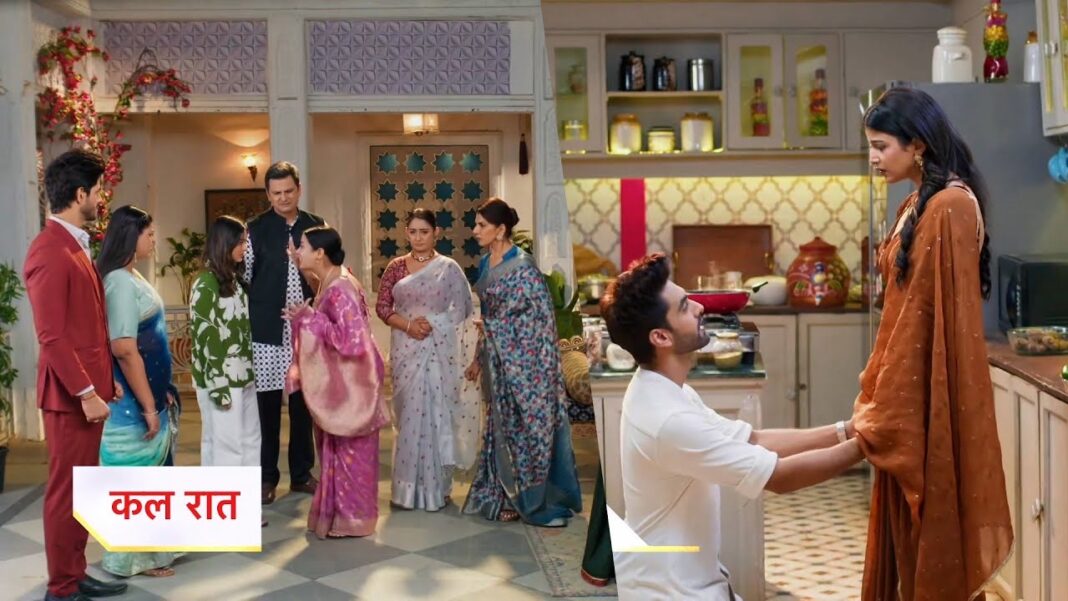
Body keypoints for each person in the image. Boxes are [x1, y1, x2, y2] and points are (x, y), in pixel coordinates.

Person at [600, 253, 864, 601]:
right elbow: (780, 477)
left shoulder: (667, 389)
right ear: (661, 337)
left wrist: (848, 430)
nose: (699, 307)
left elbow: (754, 439)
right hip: (670, 593)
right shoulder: (668, 419)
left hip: (687, 584)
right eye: (684, 307)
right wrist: (866, 444)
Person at [854, 86, 1012, 601]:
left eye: (881, 146)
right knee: (909, 545)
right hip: (907, 391)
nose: (874, 158)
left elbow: (934, 320)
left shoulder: (949, 206)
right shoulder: (920, 200)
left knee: (929, 542)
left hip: (927, 398)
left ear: (917, 144)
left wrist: (890, 403)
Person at [24, 148, 128, 601]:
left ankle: (75, 570)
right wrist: (86, 391)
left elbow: (86, 325)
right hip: (68, 397)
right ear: (81, 193)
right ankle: (61, 587)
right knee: (65, 492)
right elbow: (51, 336)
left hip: (86, 390)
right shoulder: (49, 250)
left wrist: (105, 381)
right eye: (99, 190)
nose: (101, 198)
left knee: (83, 490)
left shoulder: (72, 244)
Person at [462, 198, 582, 527]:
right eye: (475, 224)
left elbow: (539, 322)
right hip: (499, 362)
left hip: (529, 367)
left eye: (481, 225)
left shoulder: (524, 267)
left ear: (501, 230)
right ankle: (502, 495)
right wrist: (478, 357)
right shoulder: (485, 264)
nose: (475, 231)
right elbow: (490, 315)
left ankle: (534, 500)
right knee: (500, 428)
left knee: (528, 430)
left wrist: (493, 328)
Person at [284, 227, 390, 539]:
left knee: (350, 455)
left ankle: (352, 520)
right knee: (339, 451)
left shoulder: (339, 289)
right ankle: (339, 516)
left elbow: (352, 340)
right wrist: (308, 315)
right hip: (348, 385)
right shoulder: (334, 280)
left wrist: (308, 319)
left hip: (353, 390)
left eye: (302, 246)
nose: (298, 251)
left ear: (320, 253)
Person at [376, 208, 481, 511]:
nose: (419, 238)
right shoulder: (396, 267)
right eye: (413, 232)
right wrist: (409, 325)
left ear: (436, 233)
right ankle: (406, 491)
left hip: (439, 351)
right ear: (406, 233)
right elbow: (383, 307)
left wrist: (436, 324)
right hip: (406, 349)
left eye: (424, 232)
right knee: (409, 416)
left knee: (438, 415)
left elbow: (463, 310)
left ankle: (438, 488)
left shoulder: (448, 268)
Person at [96, 205, 181, 578]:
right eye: (149, 234)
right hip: (131, 404)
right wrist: (147, 405)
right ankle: (132, 560)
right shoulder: (117, 281)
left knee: (153, 480)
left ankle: (151, 553)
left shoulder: (130, 275)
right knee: (136, 481)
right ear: (131, 237)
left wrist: (161, 389)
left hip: (148, 393)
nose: (154, 240)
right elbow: (125, 349)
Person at [244, 161, 325, 504]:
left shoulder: (316, 226)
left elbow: (327, 273)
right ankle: (266, 477)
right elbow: (245, 277)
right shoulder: (255, 229)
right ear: (267, 194)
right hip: (267, 330)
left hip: (306, 332)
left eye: (288, 191)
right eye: (276, 193)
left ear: (299, 189)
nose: (283, 198)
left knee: (303, 407)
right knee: (267, 410)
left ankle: (302, 474)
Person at [190, 216, 259, 469]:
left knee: (250, 440)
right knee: (226, 447)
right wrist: (218, 386)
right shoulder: (205, 284)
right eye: (240, 242)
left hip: (244, 375)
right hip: (221, 379)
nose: (244, 248)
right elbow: (205, 337)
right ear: (224, 243)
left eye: (245, 242)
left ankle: (247, 491)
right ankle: (228, 494)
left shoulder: (234, 281)